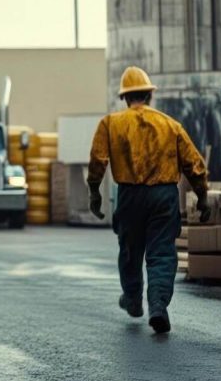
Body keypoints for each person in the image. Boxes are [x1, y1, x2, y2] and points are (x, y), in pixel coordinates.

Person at [87, 66, 209, 334]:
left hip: (130, 195)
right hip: (163, 195)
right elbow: (194, 164)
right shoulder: (170, 124)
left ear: (125, 98)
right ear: (149, 95)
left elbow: (98, 160)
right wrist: (202, 197)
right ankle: (158, 306)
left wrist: (94, 193)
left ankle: (132, 299)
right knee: (162, 253)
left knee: (130, 251)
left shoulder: (111, 123)